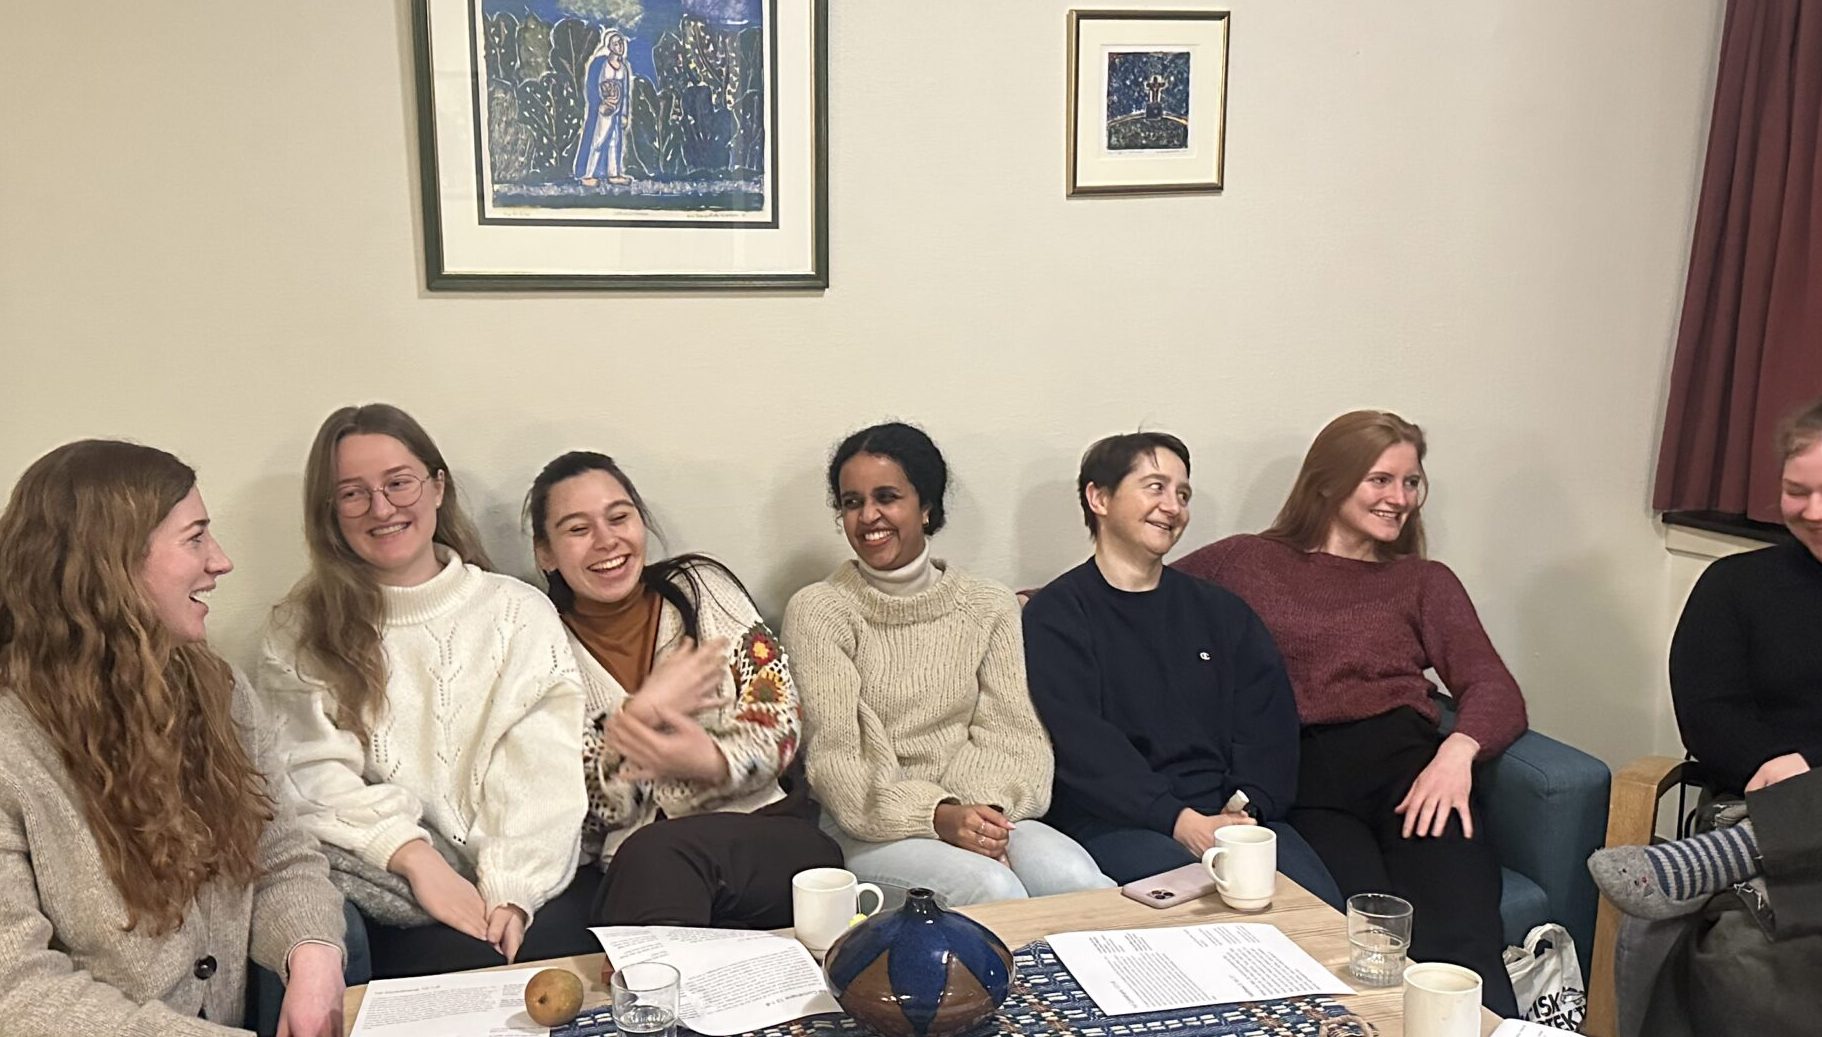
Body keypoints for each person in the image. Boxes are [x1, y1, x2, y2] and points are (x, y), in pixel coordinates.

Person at [1175, 410, 1524, 1015]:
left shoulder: (1423, 580)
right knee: (1364, 940)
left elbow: (1493, 685)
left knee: (1461, 939)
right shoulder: (1246, 561)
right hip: (1306, 783)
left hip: (1412, 776)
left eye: (1410, 482)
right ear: (1328, 482)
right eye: (1380, 480)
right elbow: (1135, 590)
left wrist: (1457, 754)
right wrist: (1035, 603)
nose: (1400, 499)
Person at [0, 440, 345, 1036]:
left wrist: (312, 953)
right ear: (111, 562)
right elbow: (17, 991)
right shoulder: (13, 743)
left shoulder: (218, 689)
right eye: (195, 538)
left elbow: (282, 855)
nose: (221, 562)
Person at [257, 404, 590, 980]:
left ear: (437, 487)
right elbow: (309, 774)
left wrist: (510, 890)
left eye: (399, 483)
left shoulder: (518, 612)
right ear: (330, 513)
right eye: (353, 494)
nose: (382, 508)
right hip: (390, 892)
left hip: (523, 890)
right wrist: (414, 857)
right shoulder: (299, 629)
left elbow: (542, 773)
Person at [785, 422, 1111, 907]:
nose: (869, 516)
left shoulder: (988, 605)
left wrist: (976, 819)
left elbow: (1015, 737)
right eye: (852, 502)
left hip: (981, 809)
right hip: (868, 828)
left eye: (887, 497)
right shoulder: (820, 610)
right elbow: (837, 765)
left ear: (926, 506)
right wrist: (938, 816)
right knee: (992, 887)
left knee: (1079, 880)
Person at [1021, 431, 1343, 914]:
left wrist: (1248, 807)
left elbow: (1268, 724)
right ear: (1099, 498)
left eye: (1183, 494)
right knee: (1205, 920)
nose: (1173, 507)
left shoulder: (1222, 612)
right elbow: (1083, 745)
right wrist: (1181, 821)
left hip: (1235, 817)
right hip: (1118, 822)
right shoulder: (1058, 615)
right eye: (1155, 487)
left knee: (1322, 914)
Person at [525, 450, 842, 927]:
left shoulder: (701, 589)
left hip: (766, 838)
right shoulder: (541, 645)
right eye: (577, 529)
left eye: (619, 517)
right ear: (545, 553)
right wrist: (637, 717)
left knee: (655, 853)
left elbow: (779, 721)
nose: (606, 540)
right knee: (647, 859)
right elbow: (577, 815)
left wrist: (711, 761)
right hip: (637, 872)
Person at [1591, 397, 1822, 1037]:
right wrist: (1771, 764)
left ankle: (1735, 854)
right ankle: (1759, 838)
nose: (1813, 512)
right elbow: (1707, 710)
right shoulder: (1735, 585)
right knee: (1750, 964)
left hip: (1776, 818)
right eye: (1796, 491)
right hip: (1756, 796)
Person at [575, 28, 634, 187]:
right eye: (616, 43)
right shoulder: (601, 64)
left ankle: (614, 173)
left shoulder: (624, 68)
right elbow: (592, 86)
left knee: (615, 141)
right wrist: (599, 103)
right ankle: (588, 174)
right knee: (599, 140)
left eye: (621, 43)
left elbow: (626, 93)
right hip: (604, 109)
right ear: (609, 46)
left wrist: (624, 113)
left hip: (617, 109)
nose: (620, 46)